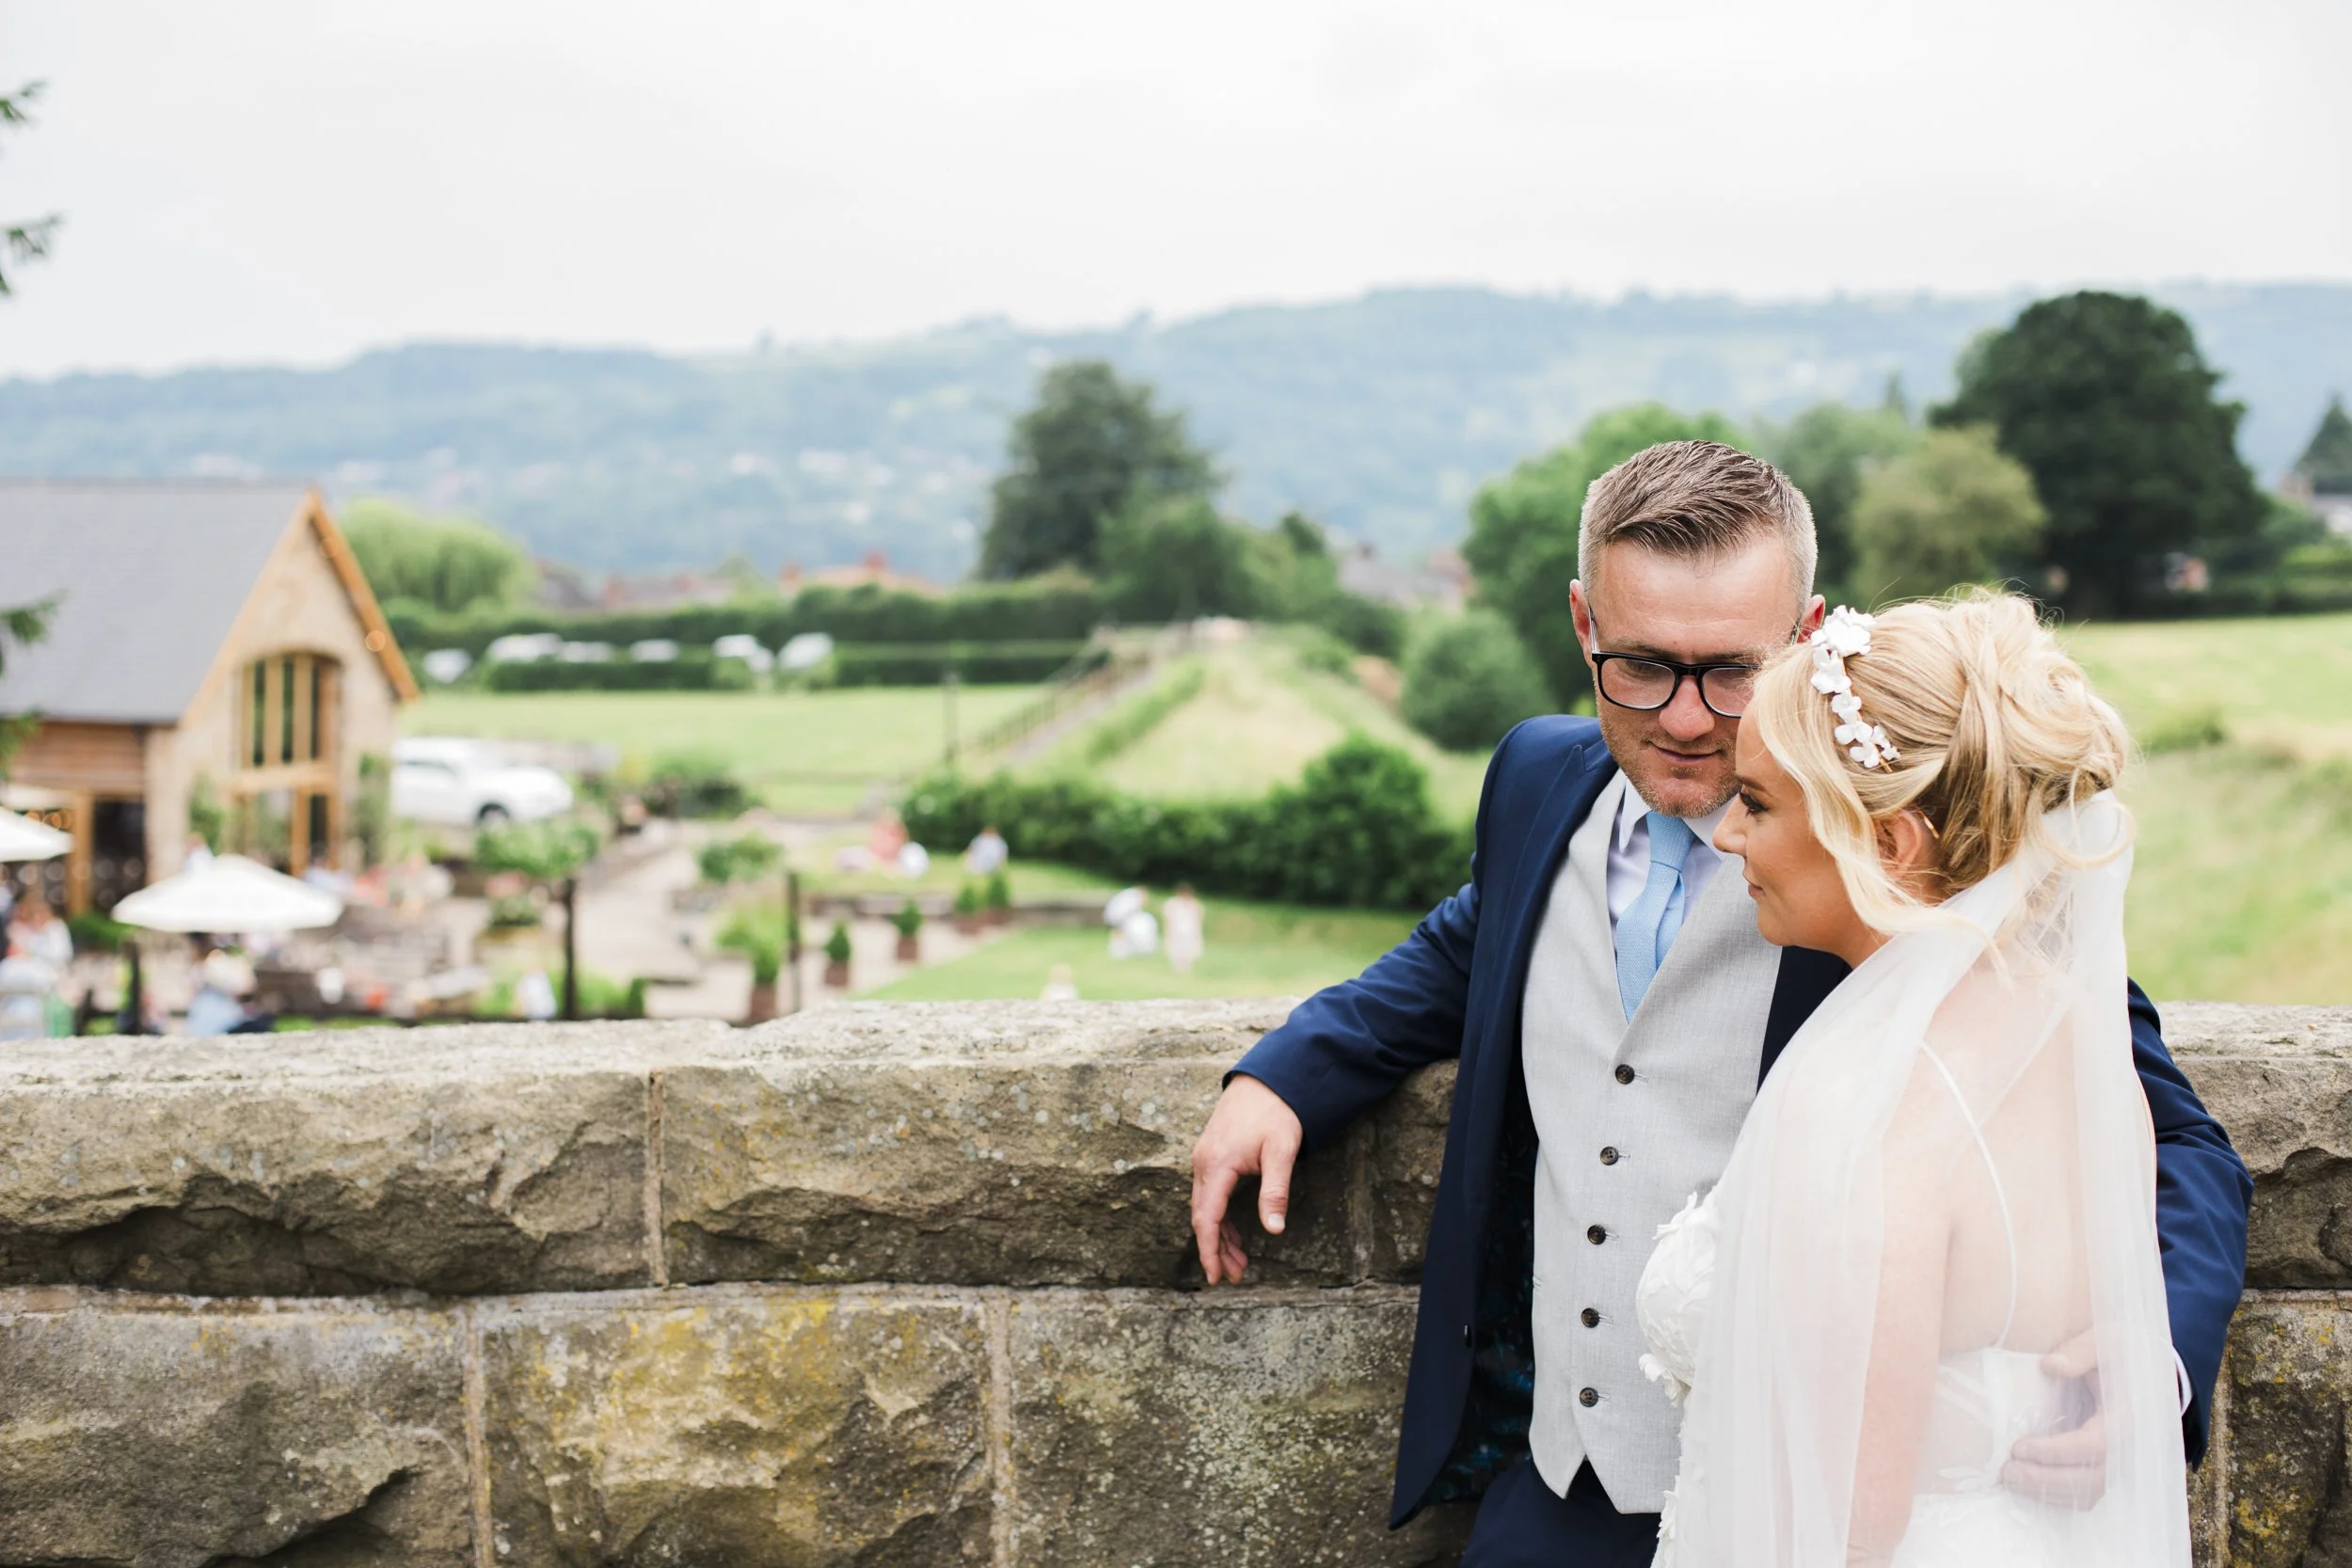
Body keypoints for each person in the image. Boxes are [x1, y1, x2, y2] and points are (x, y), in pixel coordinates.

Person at [1186, 441, 2251, 1567]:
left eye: (1730, 670)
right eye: (1641, 664)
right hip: (1547, 1485)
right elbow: (1466, 946)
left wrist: (2155, 1355)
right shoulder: (1535, 779)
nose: (1688, 719)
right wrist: (1286, 1071)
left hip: (1810, 1492)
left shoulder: (1917, 875)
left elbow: (2146, 1116)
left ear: (1808, 632)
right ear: (1582, 623)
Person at [1638, 596, 2187, 1563]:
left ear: (1887, 844)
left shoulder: (1859, 1102)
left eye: (1758, 802)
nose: (1726, 835)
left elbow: (1842, 1526)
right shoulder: (2070, 1040)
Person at [1164, 884, 1205, 975]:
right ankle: (1177, 967)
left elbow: (1198, 919)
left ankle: (1187, 967)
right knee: (1176, 949)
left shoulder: (1195, 905)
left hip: (1189, 930)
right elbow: (1168, 919)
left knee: (1189, 949)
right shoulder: (1173, 904)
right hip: (1176, 930)